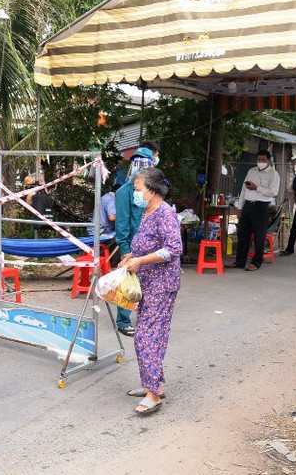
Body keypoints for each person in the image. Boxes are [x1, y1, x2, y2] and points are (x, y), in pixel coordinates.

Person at [120, 167, 181, 415]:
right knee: (151, 335)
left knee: (146, 336)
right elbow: (147, 244)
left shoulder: (165, 213)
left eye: (137, 189)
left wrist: (141, 260)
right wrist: (131, 256)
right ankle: (153, 385)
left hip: (162, 285)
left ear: (152, 190)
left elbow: (173, 249)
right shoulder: (147, 211)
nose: (135, 193)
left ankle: (153, 394)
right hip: (147, 283)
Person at [114, 145, 156, 336]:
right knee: (128, 283)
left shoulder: (152, 191)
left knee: (148, 283)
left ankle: (146, 318)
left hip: (150, 244)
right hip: (132, 245)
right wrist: (124, 248)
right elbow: (122, 223)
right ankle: (123, 321)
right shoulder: (125, 192)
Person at [226, 150, 281, 271]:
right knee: (242, 234)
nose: (261, 162)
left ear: (268, 160)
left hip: (261, 206)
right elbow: (243, 189)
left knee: (259, 235)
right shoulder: (251, 171)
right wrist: (240, 207)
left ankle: (256, 262)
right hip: (247, 205)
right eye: (258, 159)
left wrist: (257, 188)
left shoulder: (273, 174)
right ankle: (240, 261)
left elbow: (273, 192)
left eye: (263, 160)